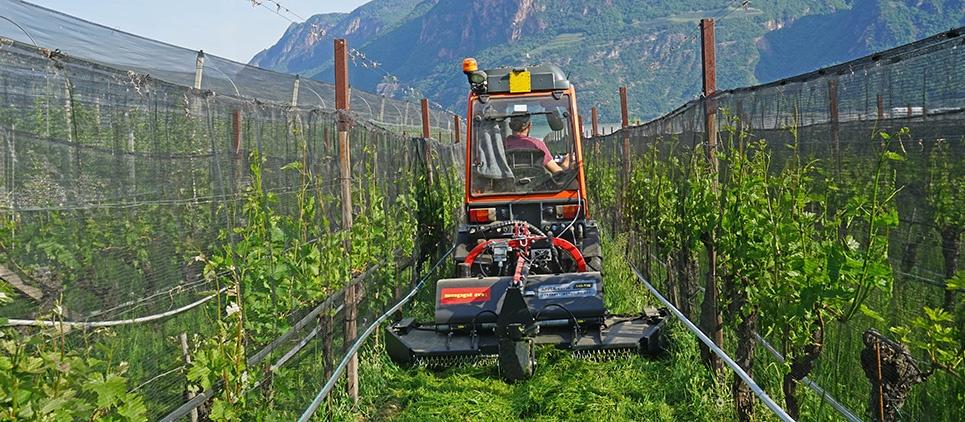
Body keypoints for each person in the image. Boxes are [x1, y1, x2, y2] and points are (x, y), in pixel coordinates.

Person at [505, 115, 572, 174]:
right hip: (536, 186)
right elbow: (557, 172)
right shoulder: (537, 144)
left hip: (507, 186)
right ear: (530, 125)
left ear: (510, 125)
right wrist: (566, 162)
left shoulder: (502, 145)